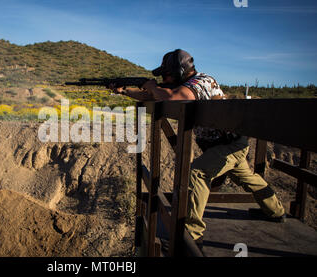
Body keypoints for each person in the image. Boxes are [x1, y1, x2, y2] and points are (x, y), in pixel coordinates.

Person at [111, 49, 286, 246]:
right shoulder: (186, 85)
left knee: (197, 172)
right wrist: (125, 91)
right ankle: (276, 211)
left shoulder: (200, 82)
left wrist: (151, 86)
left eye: (166, 74)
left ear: (179, 71)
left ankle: (192, 234)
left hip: (230, 145)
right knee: (248, 179)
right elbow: (152, 96)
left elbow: (171, 97)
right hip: (224, 146)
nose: (164, 78)